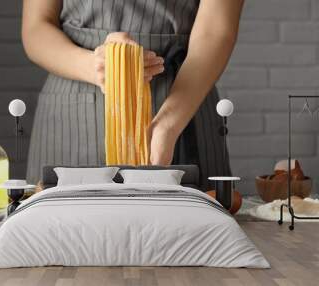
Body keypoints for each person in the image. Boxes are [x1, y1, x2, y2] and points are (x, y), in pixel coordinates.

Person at [22, 0, 244, 190]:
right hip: (73, 105)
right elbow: (36, 27)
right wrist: (93, 66)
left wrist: (168, 126)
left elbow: (216, 31)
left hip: (185, 97)